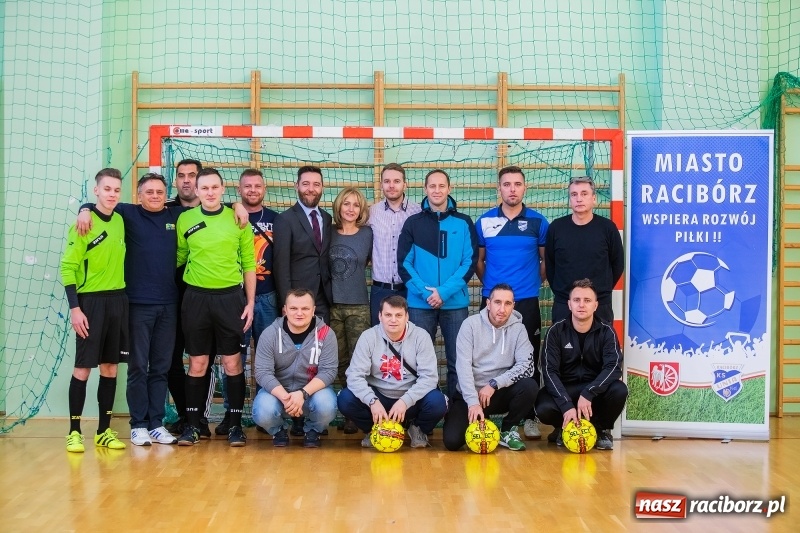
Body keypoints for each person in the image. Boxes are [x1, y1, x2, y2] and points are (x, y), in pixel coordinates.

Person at [175, 168, 256, 447]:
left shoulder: (238, 219)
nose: (209, 192)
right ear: (196, 191)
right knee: (198, 363)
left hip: (230, 299)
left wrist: (250, 303)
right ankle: (193, 425)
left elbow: (249, 264)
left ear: (223, 189)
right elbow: (180, 256)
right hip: (196, 299)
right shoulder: (185, 219)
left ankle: (235, 426)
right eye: (204, 188)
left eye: (214, 187)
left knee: (233, 363)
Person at [475, 165, 549, 440]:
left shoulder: (538, 222)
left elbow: (545, 261)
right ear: (499, 189)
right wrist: (493, 290)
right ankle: (482, 412)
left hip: (527, 300)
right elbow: (479, 262)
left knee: (529, 359)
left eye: (517, 184)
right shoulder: (484, 222)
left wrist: (530, 285)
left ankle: (528, 417)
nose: (512, 189)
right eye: (507, 184)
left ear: (524, 188)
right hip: (492, 302)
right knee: (486, 357)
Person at [61, 168, 128, 452]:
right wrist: (75, 309)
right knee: (83, 368)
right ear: (96, 190)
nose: (112, 194)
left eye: (116, 190)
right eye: (107, 189)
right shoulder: (83, 224)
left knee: (110, 368)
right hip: (90, 303)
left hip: (118, 301)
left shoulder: (121, 220)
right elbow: (68, 268)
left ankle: (104, 431)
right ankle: (74, 431)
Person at [397, 169, 478, 398]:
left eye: (442, 186)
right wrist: (426, 294)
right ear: (425, 189)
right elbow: (404, 264)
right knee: (418, 364)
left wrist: (443, 292)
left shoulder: (464, 222)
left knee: (458, 362)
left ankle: (456, 410)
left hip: (455, 304)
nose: (437, 190)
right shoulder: (413, 223)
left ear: (449, 189)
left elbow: (469, 261)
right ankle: (425, 412)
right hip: (420, 305)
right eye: (432, 186)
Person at [337, 295, 448, 449]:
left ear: (407, 316)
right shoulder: (368, 337)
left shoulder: (421, 336)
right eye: (388, 315)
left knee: (438, 402)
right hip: (379, 397)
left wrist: (405, 401)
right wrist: (372, 401)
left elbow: (429, 378)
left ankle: (417, 428)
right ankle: (374, 430)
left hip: (410, 398)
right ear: (380, 316)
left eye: (398, 315)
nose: (393, 320)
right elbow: (354, 376)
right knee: (345, 399)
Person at [215, 169, 279, 436]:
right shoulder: (228, 216)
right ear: (239, 190)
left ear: (264, 189)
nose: (252, 190)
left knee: (268, 358)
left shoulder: (276, 220)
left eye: (257, 186)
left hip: (268, 297)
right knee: (233, 358)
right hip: (235, 298)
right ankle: (232, 416)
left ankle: (266, 415)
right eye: (247, 186)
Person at [442, 284, 539, 452]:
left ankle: (507, 430)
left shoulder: (519, 328)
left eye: (508, 303)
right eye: (497, 302)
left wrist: (494, 384)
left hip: (498, 393)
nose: (502, 309)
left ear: (513, 306)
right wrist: (473, 402)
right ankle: (477, 419)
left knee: (529, 386)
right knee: (452, 441)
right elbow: (463, 367)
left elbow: (527, 366)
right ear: (488, 303)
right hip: (470, 395)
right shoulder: (470, 325)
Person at [535, 279, 627, 450]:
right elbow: (549, 371)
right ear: (569, 304)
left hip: (594, 392)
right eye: (576, 300)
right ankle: (564, 428)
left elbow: (613, 367)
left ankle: (599, 430)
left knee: (619, 390)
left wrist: (589, 392)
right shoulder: (556, 331)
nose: (581, 305)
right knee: (543, 405)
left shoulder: (607, 331)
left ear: (595, 305)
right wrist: (565, 404)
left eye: (587, 300)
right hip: (566, 389)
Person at [164, 158, 214, 438]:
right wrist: (86, 208)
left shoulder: (220, 211)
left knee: (203, 361)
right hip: (169, 301)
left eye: (192, 175)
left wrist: (238, 206)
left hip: (203, 300)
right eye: (181, 175)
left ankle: (199, 419)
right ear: (175, 180)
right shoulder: (163, 209)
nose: (186, 180)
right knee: (169, 361)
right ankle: (186, 415)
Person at [252, 289, 338, 447]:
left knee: (326, 405)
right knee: (263, 410)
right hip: (279, 394)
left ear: (313, 310)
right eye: (293, 308)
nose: (299, 313)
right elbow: (263, 373)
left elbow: (329, 372)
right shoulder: (270, 334)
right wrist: (287, 398)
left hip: (312, 393)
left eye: (305, 308)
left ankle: (313, 430)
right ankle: (279, 430)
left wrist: (302, 394)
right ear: (285, 309)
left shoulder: (326, 334)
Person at [545, 176, 624, 324]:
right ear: (570, 199)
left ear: (594, 198)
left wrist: (599, 292)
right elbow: (550, 265)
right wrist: (565, 295)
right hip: (564, 304)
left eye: (584, 193)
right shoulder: (556, 228)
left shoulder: (608, 228)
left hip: (599, 304)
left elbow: (618, 264)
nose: (579, 199)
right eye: (574, 194)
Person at [329, 187, 373, 434]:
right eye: (346, 203)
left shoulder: (367, 234)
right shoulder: (328, 232)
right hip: (332, 306)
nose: (351, 209)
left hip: (358, 306)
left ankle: (360, 410)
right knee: (339, 360)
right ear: (339, 206)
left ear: (362, 210)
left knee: (359, 361)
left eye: (356, 205)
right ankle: (349, 413)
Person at [367, 163, 421, 326]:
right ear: (381, 184)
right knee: (379, 337)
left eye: (396, 181)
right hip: (380, 290)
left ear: (405, 184)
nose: (391, 185)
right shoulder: (371, 212)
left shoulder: (418, 212)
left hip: (410, 289)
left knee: (409, 336)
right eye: (387, 181)